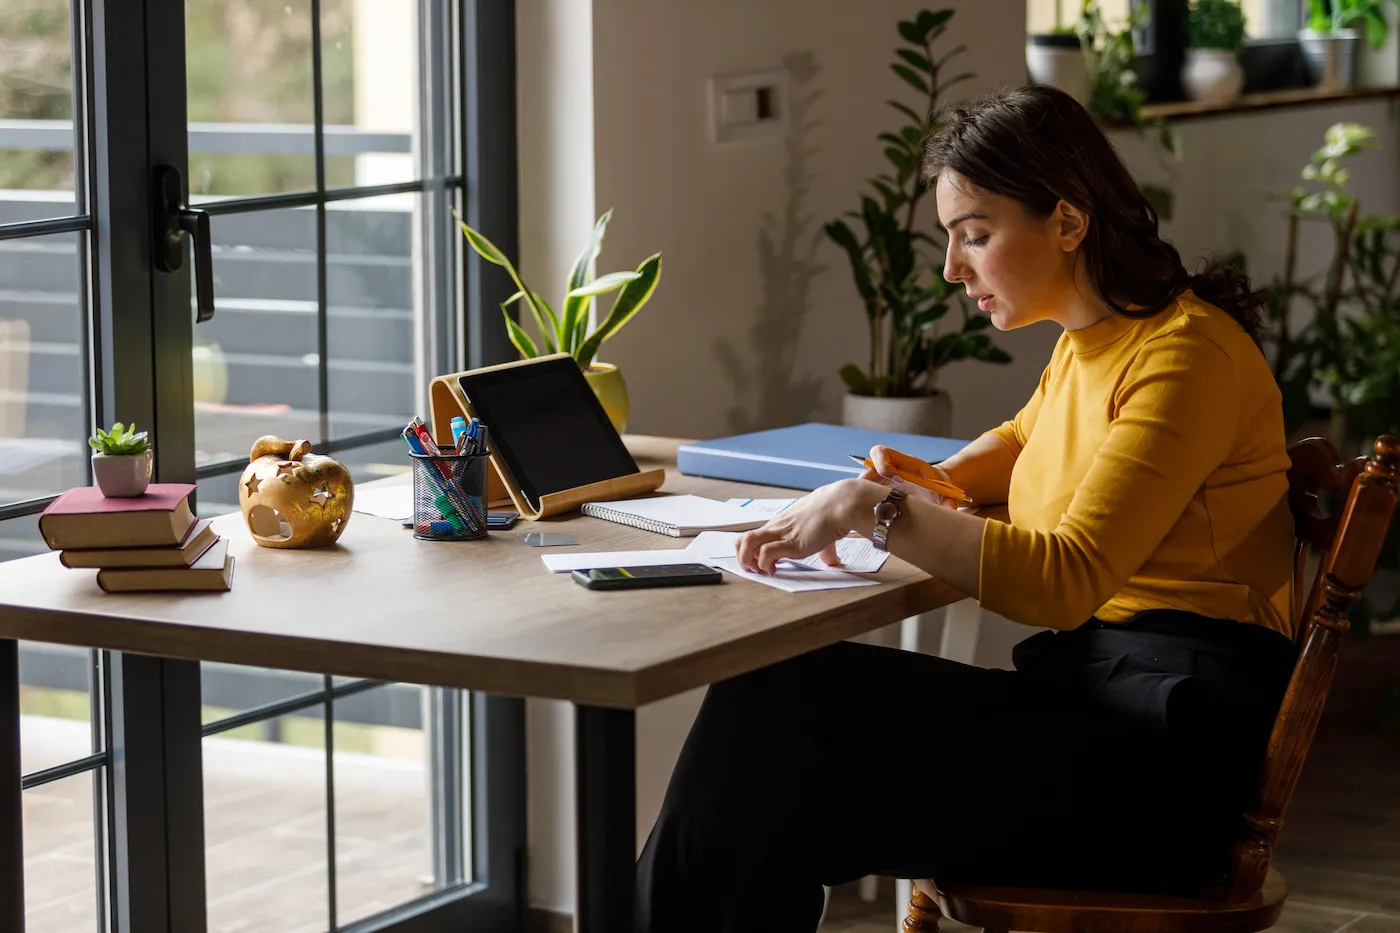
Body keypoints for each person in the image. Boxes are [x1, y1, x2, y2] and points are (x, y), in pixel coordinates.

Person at [635, 85, 1301, 933]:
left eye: (975, 235)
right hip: (1102, 700)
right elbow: (1015, 451)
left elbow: (1066, 580)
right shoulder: (1090, 346)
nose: (953, 269)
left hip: (1165, 763)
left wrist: (874, 507)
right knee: (770, 694)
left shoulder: (1187, 357)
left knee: (771, 795)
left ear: (1068, 221)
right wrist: (909, 479)